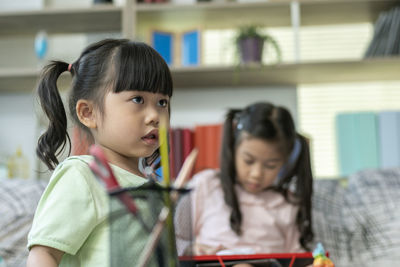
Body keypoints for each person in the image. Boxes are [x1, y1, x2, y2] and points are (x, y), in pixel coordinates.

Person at [26, 39, 173, 267]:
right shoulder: (82, 176)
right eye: (138, 99)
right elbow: (43, 254)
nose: (155, 115)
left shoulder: (152, 185)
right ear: (88, 113)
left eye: (162, 102)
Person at [189, 102, 314, 258]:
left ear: (285, 162)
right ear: (233, 148)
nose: (256, 174)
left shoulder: (287, 203)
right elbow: (171, 239)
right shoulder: (205, 185)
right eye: (248, 161)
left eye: (270, 165)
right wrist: (192, 249)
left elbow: (296, 256)